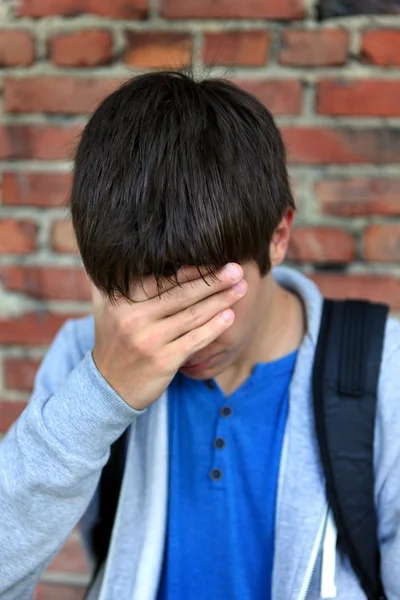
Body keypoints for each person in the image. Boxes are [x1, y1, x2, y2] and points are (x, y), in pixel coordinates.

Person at [0, 71, 399, 600]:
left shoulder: (382, 369)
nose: (183, 337)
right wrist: (101, 394)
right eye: (153, 307)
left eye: (204, 299)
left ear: (277, 237)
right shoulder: (87, 357)